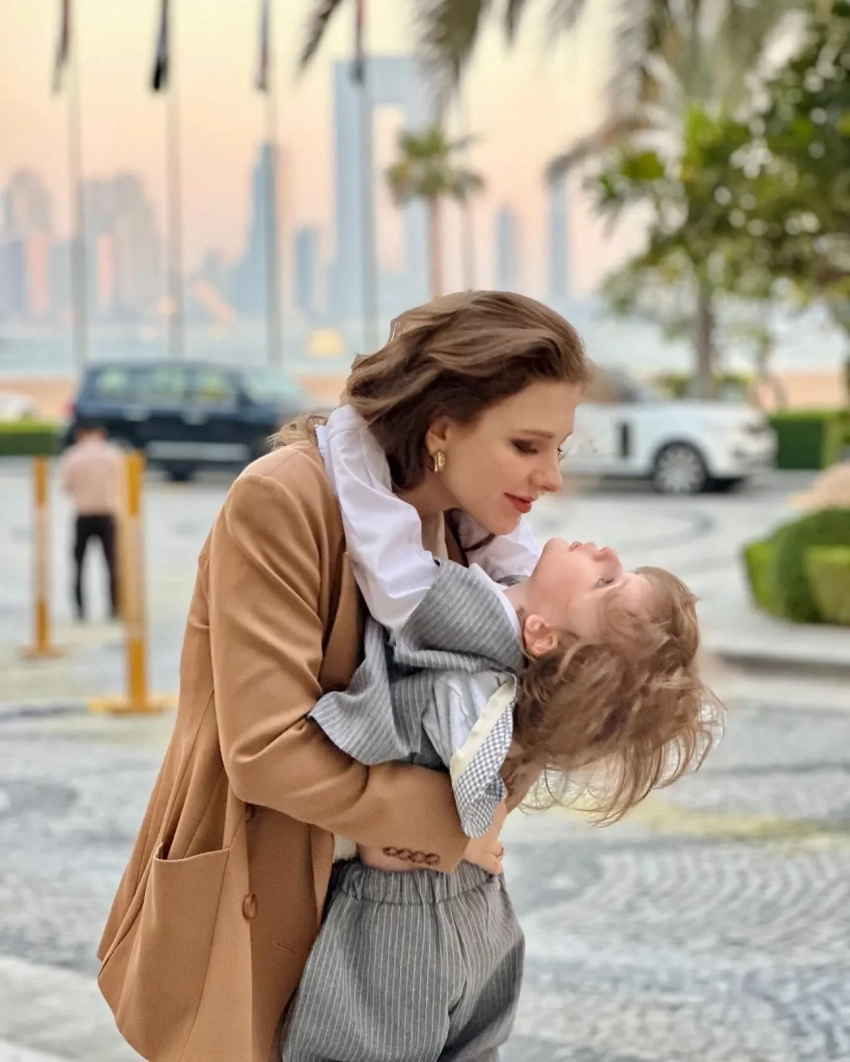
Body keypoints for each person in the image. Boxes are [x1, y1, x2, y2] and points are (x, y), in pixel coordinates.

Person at [96, 291, 590, 1062]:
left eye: (561, 447)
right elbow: (265, 752)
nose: (551, 477)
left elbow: (498, 727)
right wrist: (451, 828)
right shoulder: (285, 500)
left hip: (411, 938)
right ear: (441, 430)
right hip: (269, 903)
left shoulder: (476, 542)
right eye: (527, 445)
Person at [279, 405, 722, 1062]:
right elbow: (504, 544)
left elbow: (384, 548)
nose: (607, 553)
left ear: (542, 636)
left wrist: (354, 432)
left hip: (405, 922)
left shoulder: (475, 621)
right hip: (479, 912)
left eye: (607, 583)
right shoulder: (519, 627)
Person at [59, 421, 123, 621]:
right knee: (112, 564)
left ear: (80, 434)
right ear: (101, 433)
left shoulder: (73, 456)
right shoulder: (114, 455)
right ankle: (114, 607)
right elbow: (124, 483)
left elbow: (66, 486)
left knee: (79, 566)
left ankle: (80, 609)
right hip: (107, 515)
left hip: (83, 515)